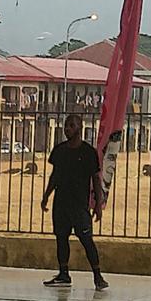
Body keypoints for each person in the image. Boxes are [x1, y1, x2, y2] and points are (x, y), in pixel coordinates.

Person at [40, 114, 109, 291]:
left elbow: (95, 179)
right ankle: (63, 274)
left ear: (79, 127)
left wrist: (98, 205)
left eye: (71, 125)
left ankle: (97, 276)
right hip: (61, 204)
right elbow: (54, 176)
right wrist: (46, 195)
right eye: (66, 125)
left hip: (79, 206)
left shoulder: (88, 152)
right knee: (61, 238)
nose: (67, 129)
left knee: (86, 240)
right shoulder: (60, 151)